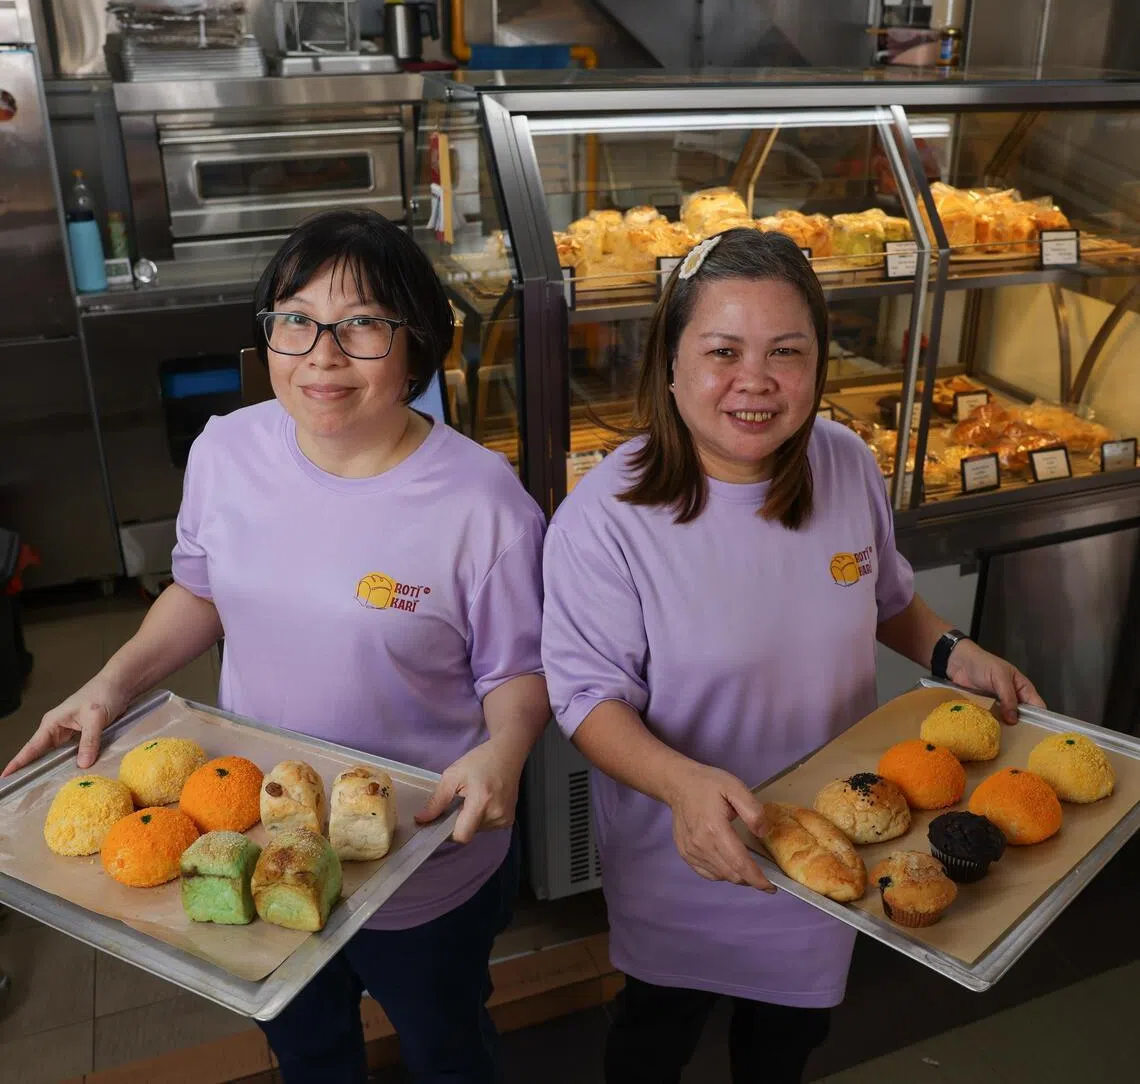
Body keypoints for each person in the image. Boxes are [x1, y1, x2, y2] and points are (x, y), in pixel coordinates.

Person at [3, 210, 550, 1084]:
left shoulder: (483, 502)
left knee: (445, 1041)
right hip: (261, 825)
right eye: (295, 320)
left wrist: (507, 751)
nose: (321, 355)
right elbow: (201, 590)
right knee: (305, 1046)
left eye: (362, 323)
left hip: (421, 852)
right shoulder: (228, 449)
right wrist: (110, 684)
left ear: (418, 345)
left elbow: (516, 669)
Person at [540, 229, 1044, 1084]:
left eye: (787, 352)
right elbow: (589, 702)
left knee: (787, 1041)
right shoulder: (605, 518)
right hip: (689, 852)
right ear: (670, 364)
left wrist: (955, 650)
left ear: (818, 366)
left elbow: (886, 599)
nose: (756, 381)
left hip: (837, 839)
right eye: (723, 351)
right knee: (655, 1031)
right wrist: (682, 786)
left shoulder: (845, 463)